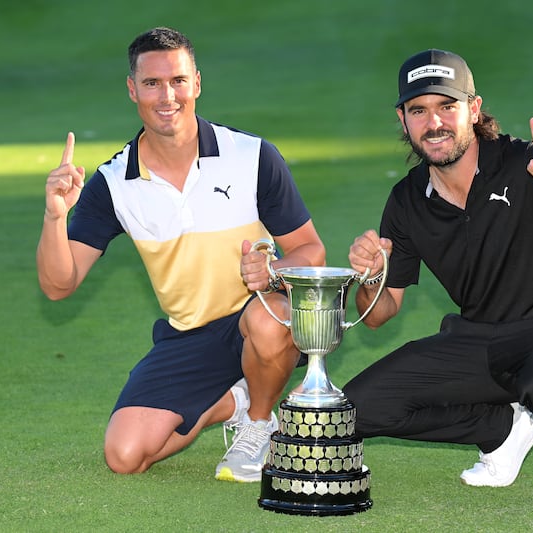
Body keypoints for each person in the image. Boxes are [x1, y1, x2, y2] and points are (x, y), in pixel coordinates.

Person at [344, 49, 533, 509]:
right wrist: (369, 277)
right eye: (419, 111)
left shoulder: (524, 163)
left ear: (474, 108)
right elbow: (380, 313)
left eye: (447, 106)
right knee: (350, 413)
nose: (435, 123)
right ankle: (502, 431)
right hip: (482, 343)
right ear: (403, 119)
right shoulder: (407, 199)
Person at [36, 27, 325, 482]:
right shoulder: (114, 183)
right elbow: (58, 285)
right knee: (125, 455)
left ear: (197, 84)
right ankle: (239, 399)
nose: (167, 95)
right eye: (152, 83)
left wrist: (272, 270)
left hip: (261, 313)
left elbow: (311, 250)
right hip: (188, 334)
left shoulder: (250, 156)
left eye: (178, 81)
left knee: (270, 322)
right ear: (133, 89)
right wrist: (55, 216)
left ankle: (260, 423)